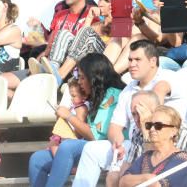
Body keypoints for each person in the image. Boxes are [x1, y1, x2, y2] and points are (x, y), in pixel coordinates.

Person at [73, 41, 180, 187]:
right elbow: (115, 127)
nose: (131, 64)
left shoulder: (168, 77)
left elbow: (160, 92)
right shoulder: (127, 90)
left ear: (153, 61)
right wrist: (118, 144)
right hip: (134, 144)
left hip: (168, 141)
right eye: (130, 60)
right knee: (91, 149)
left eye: (137, 60)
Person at [28, 53, 124, 187]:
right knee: (37, 159)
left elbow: (94, 135)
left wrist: (69, 116)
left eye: (83, 78)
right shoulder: (95, 96)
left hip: (111, 148)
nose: (79, 82)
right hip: (89, 146)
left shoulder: (112, 94)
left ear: (95, 78)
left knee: (68, 147)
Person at [40, 0, 104, 84]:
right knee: (63, 34)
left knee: (65, 34)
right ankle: (51, 69)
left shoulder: (93, 15)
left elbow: (88, 46)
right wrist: (41, 60)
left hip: (79, 68)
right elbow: (49, 46)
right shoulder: (60, 14)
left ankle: (52, 73)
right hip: (58, 62)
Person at [118, 105, 187, 187]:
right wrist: (146, 178)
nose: (152, 129)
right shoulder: (147, 156)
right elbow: (123, 181)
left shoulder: (181, 158)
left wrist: (140, 180)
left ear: (173, 131)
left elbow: (157, 185)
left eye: (158, 126)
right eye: (149, 125)